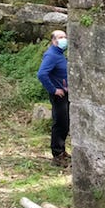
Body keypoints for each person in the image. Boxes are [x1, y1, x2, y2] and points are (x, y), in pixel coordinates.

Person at [37, 29, 70, 167]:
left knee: (65, 123)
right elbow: (42, 74)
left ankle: (61, 151)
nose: (63, 40)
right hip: (59, 95)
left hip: (65, 92)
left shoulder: (59, 53)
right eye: (60, 37)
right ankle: (57, 155)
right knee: (60, 123)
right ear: (53, 41)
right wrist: (54, 89)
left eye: (64, 37)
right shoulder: (51, 55)